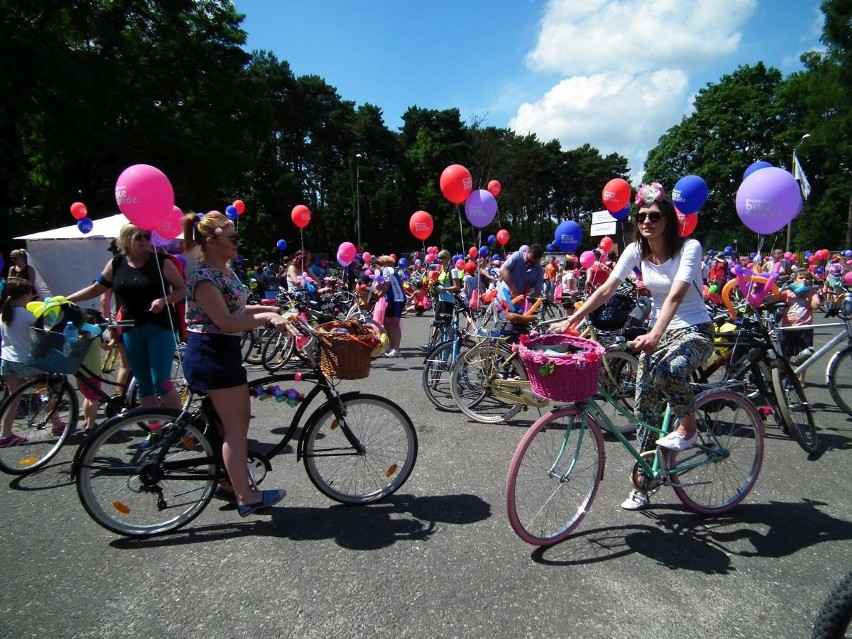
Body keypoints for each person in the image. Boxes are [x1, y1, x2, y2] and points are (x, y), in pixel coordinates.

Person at [553, 183, 713, 511]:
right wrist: (573, 320)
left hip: (694, 329)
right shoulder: (637, 250)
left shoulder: (689, 248)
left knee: (672, 370)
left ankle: (688, 426)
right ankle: (645, 481)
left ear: (668, 219)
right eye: (641, 216)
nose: (647, 221)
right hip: (660, 332)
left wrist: (654, 333)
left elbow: (676, 295)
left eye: (655, 216)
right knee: (644, 411)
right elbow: (607, 288)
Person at [181, 211, 287, 517]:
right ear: (213, 242)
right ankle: (245, 496)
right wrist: (267, 318)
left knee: (226, 426)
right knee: (236, 429)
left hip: (221, 353)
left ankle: (229, 484)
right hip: (212, 354)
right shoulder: (204, 277)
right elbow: (226, 321)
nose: (237, 243)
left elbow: (237, 307)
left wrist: (270, 308)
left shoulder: (224, 272)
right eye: (233, 238)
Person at [66, 224, 186, 434]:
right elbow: (97, 288)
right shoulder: (117, 262)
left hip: (159, 327)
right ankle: (155, 430)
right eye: (139, 237)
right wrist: (66, 299)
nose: (144, 240)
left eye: (147, 236)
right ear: (126, 240)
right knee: (143, 384)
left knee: (161, 381)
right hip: (131, 329)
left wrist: (164, 300)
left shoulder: (161, 262)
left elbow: (183, 289)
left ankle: (185, 426)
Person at [0, 278, 65, 445]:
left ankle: (5, 434)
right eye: (30, 294)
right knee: (44, 391)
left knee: (14, 399)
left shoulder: (3, 315)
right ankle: (57, 424)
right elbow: (41, 335)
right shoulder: (27, 315)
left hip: (8, 360)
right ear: (24, 296)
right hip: (28, 361)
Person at [779, 270, 821, 385]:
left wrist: (807, 295)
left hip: (805, 326)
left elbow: (815, 306)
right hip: (788, 326)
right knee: (786, 353)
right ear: (795, 280)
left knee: (804, 354)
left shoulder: (812, 292)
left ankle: (800, 378)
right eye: (801, 277)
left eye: (807, 278)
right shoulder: (788, 292)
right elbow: (775, 297)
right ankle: (786, 375)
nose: (804, 280)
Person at [376, 255, 405, 358]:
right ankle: (392, 346)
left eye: (380, 263)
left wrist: (377, 296)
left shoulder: (387, 269)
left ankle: (396, 349)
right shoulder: (387, 270)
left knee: (394, 323)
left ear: (385, 263)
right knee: (386, 322)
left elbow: (386, 286)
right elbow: (382, 284)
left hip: (398, 299)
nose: (378, 266)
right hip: (392, 299)